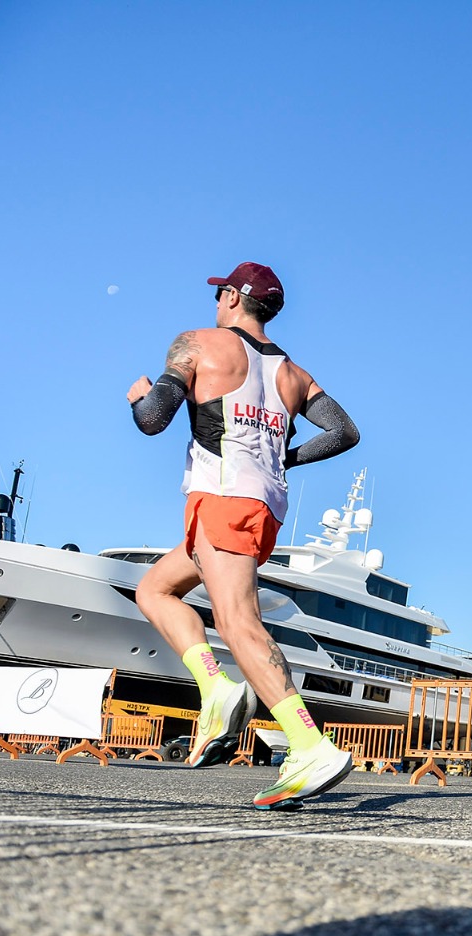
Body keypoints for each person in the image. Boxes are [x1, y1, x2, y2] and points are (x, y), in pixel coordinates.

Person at [128, 262, 360, 809]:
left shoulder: (197, 344)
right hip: (263, 502)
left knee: (236, 620)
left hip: (222, 497)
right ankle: (216, 687)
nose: (217, 302)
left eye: (220, 294)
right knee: (155, 590)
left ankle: (308, 744)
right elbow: (344, 432)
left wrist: (139, 394)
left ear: (232, 297)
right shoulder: (294, 374)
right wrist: (285, 457)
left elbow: (153, 419)